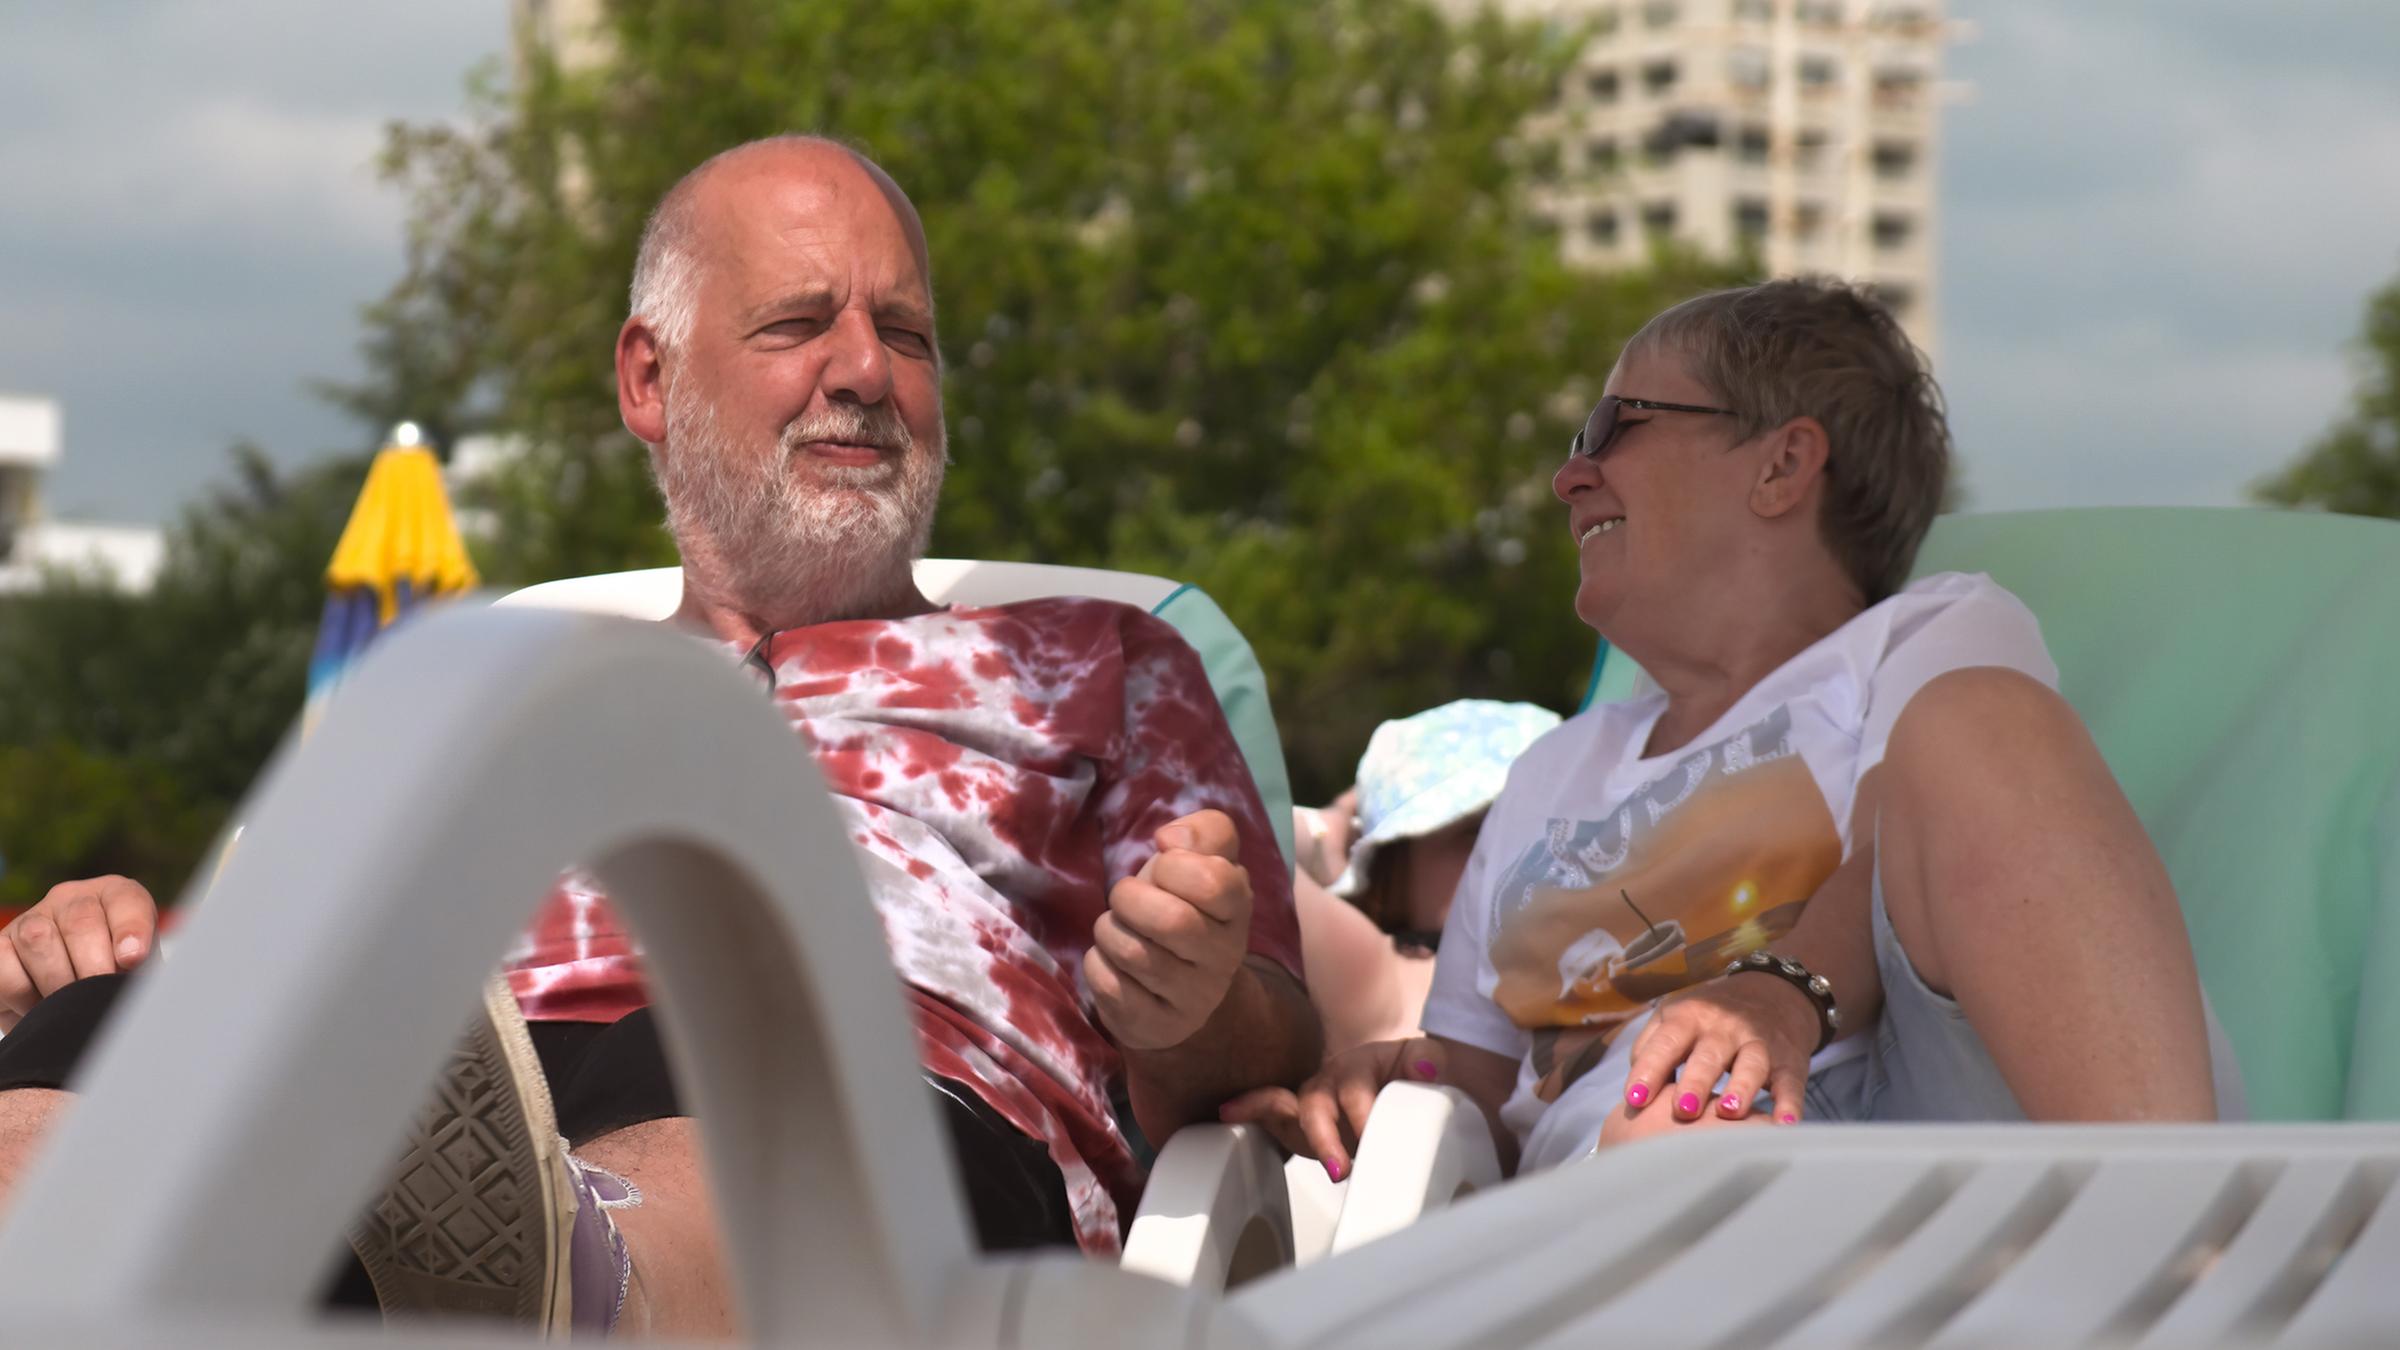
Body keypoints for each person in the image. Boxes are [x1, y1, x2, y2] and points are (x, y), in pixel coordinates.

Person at [0, 135, 1319, 1337]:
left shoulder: (1097, 662)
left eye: (905, 335)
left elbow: (1269, 1038)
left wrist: (1193, 997)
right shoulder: (505, 685)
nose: (864, 371)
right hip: (448, 1097)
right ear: (650, 377)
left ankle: (577, 1276)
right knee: (130, 1023)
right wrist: (96, 940)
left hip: (881, 1104)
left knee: (729, 1020)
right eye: (802, 325)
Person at [1226, 277, 2243, 1183]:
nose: (1568, 476)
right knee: (1676, 1135)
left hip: (1909, 1139)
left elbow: (1930, 828)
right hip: (1617, 1207)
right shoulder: (1548, 775)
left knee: (1982, 725)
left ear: (1782, 465)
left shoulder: (1920, 644)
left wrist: (1779, 992)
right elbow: (1484, 1092)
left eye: (1613, 424)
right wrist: (1382, 1091)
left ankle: (2185, 1244)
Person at [1293, 700, 1558, 1055]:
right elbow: (1239, 836)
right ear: (1392, 875)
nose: (1523, 849)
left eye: (1552, 824)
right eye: (1476, 831)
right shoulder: (1388, 977)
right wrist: (1327, 833)